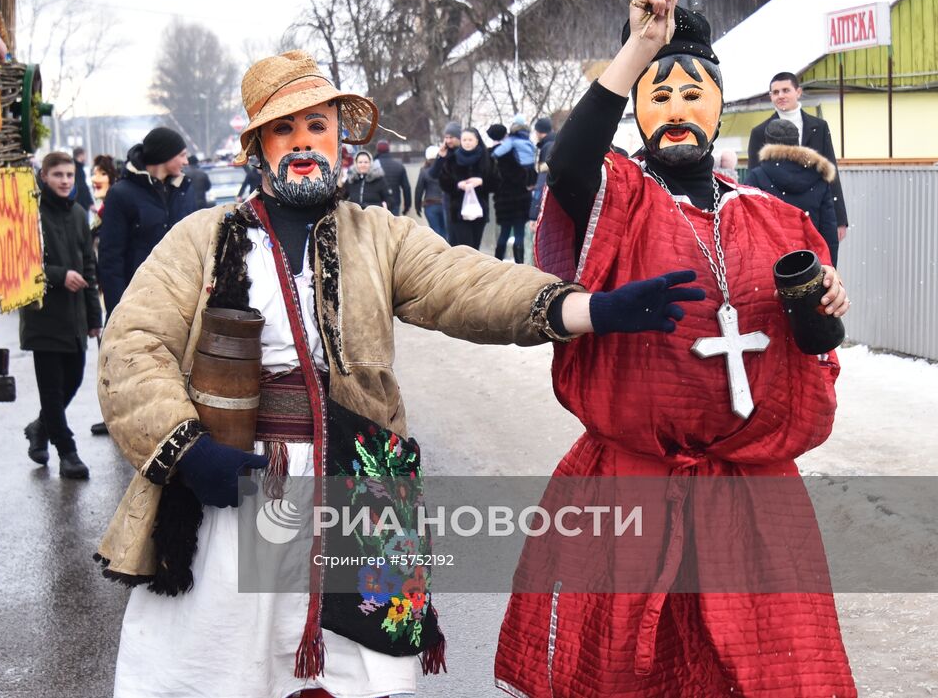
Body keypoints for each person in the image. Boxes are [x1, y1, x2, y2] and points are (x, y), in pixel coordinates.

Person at [96, 48, 698, 698]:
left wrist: (585, 307)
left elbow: (465, 284)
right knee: (220, 671)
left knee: (354, 677)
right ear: (258, 148)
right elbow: (133, 344)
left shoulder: (378, 235)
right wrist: (191, 452)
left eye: (317, 125)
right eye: (284, 129)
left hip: (358, 476)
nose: (302, 142)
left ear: (340, 141)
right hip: (234, 484)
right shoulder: (200, 237)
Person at [495, 0, 855, 697]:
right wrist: (638, 50)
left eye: (693, 95)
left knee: (771, 670)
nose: (677, 112)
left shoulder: (777, 218)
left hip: (755, 492)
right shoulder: (619, 198)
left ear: (721, 106)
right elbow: (567, 165)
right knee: (629, 670)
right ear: (638, 111)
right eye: (659, 98)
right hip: (636, 484)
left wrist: (825, 313)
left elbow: (812, 347)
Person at [21, 151, 102, 480]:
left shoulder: (79, 213)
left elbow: (88, 267)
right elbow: (23, 265)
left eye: (69, 175)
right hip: (44, 318)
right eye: (58, 175)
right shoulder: (32, 215)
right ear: (44, 176)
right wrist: (58, 275)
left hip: (76, 319)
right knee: (52, 391)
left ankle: (40, 428)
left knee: (73, 380)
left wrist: (95, 318)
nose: (65, 181)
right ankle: (67, 452)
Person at [747, 71, 848, 257]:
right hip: (775, 225)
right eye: (775, 92)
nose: (781, 96)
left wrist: (840, 218)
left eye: (786, 90)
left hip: (814, 217)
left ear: (798, 92)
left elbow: (830, 172)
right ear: (770, 96)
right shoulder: (759, 132)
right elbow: (752, 184)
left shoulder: (818, 126)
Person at [97, 126, 195, 312]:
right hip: (137, 303)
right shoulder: (121, 194)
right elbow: (111, 259)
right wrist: (118, 312)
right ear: (165, 155)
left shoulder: (184, 190)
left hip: (179, 301)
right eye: (181, 155)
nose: (186, 161)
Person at [746, 119, 840, 263]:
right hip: (810, 264)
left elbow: (747, 227)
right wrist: (830, 267)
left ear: (767, 142)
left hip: (771, 264)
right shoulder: (819, 177)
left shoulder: (757, 177)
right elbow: (829, 231)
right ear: (797, 141)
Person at [432, 127, 492, 250]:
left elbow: (497, 182)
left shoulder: (486, 159)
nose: (467, 142)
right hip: (457, 210)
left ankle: (475, 269)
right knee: (463, 247)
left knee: (475, 247)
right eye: (465, 140)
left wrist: (481, 182)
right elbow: (442, 181)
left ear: (477, 141)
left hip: (479, 210)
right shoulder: (452, 158)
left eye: (470, 139)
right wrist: (457, 185)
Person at [490, 117, 537, 263]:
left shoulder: (494, 155)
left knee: (503, 233)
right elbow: (527, 176)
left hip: (503, 201)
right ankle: (519, 264)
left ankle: (496, 263)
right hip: (521, 199)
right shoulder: (517, 151)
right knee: (519, 234)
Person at [413, 145, 449, 241]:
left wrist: (417, 206)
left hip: (430, 205)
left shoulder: (424, 171)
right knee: (446, 231)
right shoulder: (446, 168)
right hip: (444, 203)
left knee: (435, 232)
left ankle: (439, 253)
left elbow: (419, 189)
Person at [528, 116, 556, 225]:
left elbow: (541, 185)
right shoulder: (557, 143)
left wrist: (533, 216)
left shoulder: (548, 147)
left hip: (545, 210)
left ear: (539, 132)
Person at [374, 140, 411, 215]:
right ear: (389, 149)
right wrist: (407, 205)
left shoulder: (372, 166)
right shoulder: (398, 166)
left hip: (376, 203)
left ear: (377, 150)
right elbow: (406, 187)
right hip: (394, 202)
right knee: (393, 226)